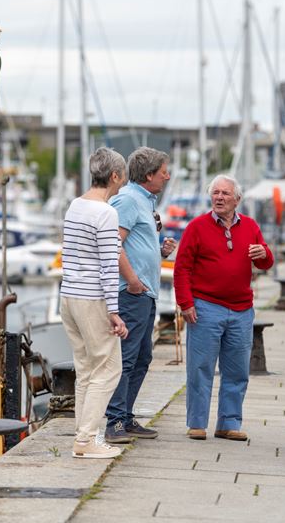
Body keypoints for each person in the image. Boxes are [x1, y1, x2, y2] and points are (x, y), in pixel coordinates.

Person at [174, 175, 274, 441]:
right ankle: (197, 423)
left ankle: (228, 423)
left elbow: (265, 263)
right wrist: (185, 302)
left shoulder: (250, 226)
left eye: (225, 194)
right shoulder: (196, 227)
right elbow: (182, 268)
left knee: (237, 371)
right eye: (215, 193)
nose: (219, 197)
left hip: (241, 310)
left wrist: (265, 254)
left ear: (237, 199)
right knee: (200, 369)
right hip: (206, 307)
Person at [60, 147, 129, 459]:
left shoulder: (75, 205)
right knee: (109, 367)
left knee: (85, 368)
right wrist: (114, 311)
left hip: (69, 295)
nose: (123, 182)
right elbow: (108, 264)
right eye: (122, 176)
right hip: (92, 298)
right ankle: (87, 440)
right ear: (114, 176)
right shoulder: (106, 213)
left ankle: (83, 435)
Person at [104, 147, 176, 444]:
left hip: (144, 293)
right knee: (127, 357)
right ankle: (114, 421)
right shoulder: (129, 200)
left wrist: (159, 252)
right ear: (149, 175)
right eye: (163, 172)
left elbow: (133, 245)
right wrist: (132, 280)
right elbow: (113, 243)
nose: (167, 176)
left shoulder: (144, 202)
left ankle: (125, 414)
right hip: (131, 293)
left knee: (143, 357)